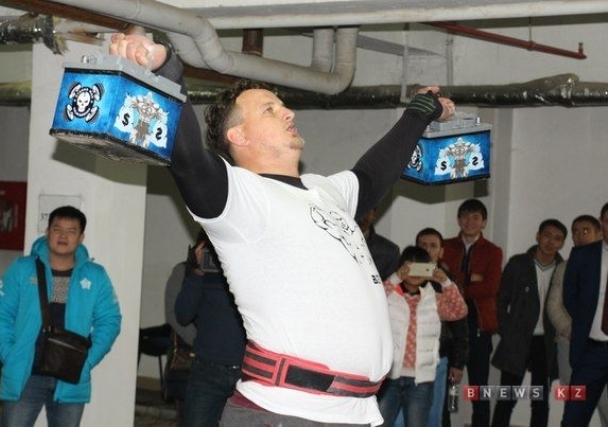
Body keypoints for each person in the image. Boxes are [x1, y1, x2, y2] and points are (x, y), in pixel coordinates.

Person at [110, 30, 455, 426]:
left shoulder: (324, 191)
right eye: (269, 110)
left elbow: (373, 175)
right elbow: (187, 156)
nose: (288, 112)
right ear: (238, 136)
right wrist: (166, 67)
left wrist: (418, 112)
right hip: (287, 411)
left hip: (358, 412)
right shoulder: (240, 197)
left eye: (282, 106)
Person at [0, 205, 122, 427]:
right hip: (26, 375)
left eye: (71, 231)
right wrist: (10, 355)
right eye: (57, 229)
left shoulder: (95, 275)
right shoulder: (22, 268)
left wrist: (87, 361)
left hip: (71, 377)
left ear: (81, 238)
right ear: (48, 232)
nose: (63, 236)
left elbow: (110, 321)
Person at [378, 246, 467, 427]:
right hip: (389, 377)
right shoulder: (389, 297)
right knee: (379, 423)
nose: (414, 273)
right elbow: (373, 300)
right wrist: (396, 277)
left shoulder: (435, 299)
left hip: (421, 380)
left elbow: (459, 311)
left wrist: (445, 282)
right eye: (410, 267)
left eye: (421, 267)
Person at [491, 219, 567, 427]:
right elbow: (500, 299)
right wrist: (506, 330)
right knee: (507, 397)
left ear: (562, 244)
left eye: (557, 239)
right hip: (517, 339)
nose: (550, 242)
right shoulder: (518, 264)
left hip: (547, 343)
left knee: (540, 400)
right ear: (538, 236)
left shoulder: (564, 269)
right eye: (547, 235)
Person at [441, 198, 503, 427]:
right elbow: (439, 281)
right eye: (465, 216)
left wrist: (456, 282)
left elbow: (490, 288)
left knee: (479, 387)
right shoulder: (446, 246)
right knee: (447, 387)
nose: (470, 221)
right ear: (458, 220)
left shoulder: (493, 251)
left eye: (476, 217)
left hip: (478, 325)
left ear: (484, 222)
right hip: (448, 326)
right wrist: (470, 278)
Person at [175, 230, 247, 427]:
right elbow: (182, 315)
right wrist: (197, 272)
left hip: (247, 371)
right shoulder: (202, 271)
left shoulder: (249, 265)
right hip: (206, 369)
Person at [546, 214, 608, 426]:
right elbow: (562, 301)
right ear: (602, 224)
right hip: (585, 347)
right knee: (574, 413)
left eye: (586, 231)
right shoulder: (575, 261)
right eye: (576, 232)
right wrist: (576, 328)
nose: (580, 236)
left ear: (596, 232)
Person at [415, 228, 469, 427]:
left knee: (437, 413)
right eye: (423, 245)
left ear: (441, 251)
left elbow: (460, 325)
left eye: (433, 246)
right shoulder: (405, 279)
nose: (428, 250)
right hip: (409, 358)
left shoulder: (448, 282)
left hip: (441, 357)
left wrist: (458, 362)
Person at [163, 253, 198, 425]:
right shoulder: (183, 271)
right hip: (188, 359)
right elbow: (173, 315)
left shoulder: (230, 271)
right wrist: (200, 341)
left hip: (222, 362)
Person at [358, 207, 401, 280]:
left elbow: (390, 284)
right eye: (359, 212)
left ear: (374, 214)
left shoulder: (390, 251)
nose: (361, 217)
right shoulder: (337, 242)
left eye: (366, 212)